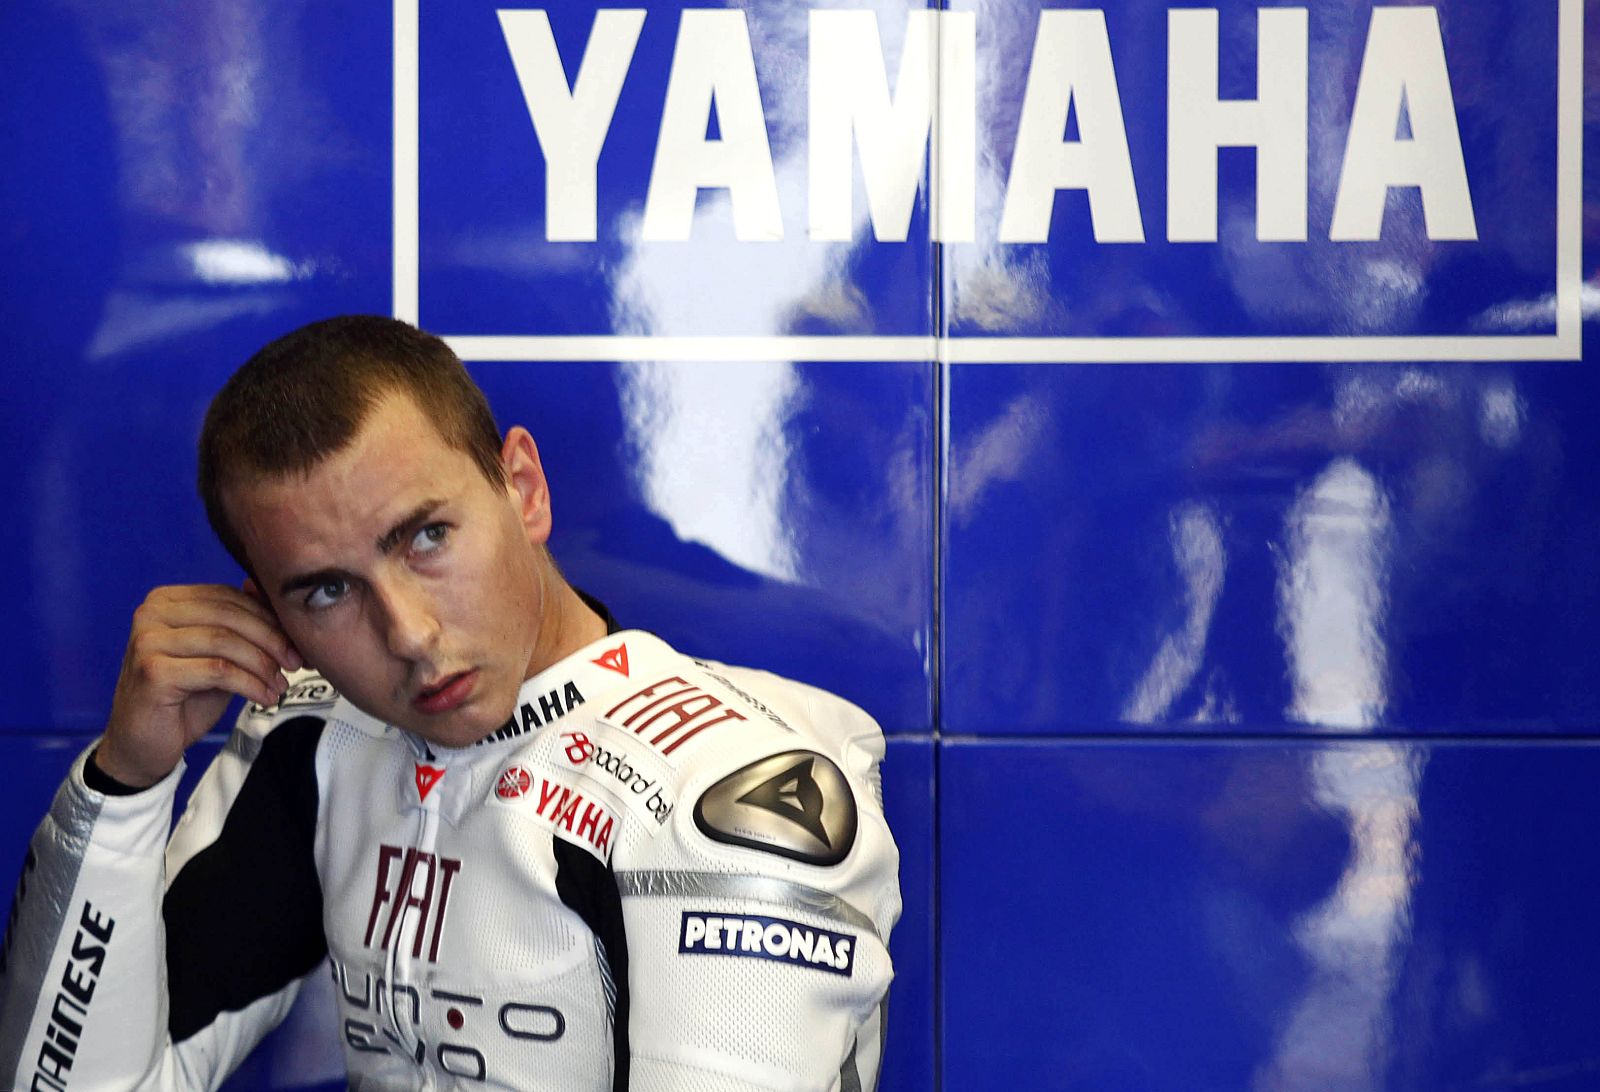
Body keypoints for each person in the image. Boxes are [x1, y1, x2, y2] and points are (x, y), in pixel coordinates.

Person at [0, 315, 899, 1090]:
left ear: (525, 490)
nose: (410, 633)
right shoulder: (319, 737)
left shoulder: (730, 794)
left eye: (426, 537)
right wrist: (123, 784)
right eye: (325, 593)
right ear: (268, 616)